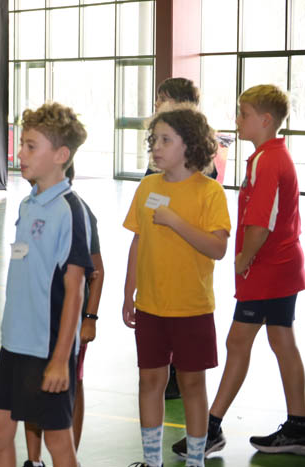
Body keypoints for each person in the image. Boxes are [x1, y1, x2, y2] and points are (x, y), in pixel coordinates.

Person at [173, 84, 305, 458]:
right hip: (281, 266)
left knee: (238, 343)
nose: (237, 119)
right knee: (282, 340)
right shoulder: (269, 156)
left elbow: (261, 223)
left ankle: (211, 429)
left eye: (244, 114)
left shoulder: (268, 161)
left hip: (268, 270)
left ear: (265, 120)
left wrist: (243, 260)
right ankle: (299, 426)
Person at [122, 107, 231, 467]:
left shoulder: (209, 192)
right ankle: (151, 460)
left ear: (190, 145)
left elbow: (217, 248)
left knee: (192, 386)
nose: (156, 147)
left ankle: (196, 460)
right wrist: (128, 293)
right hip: (150, 306)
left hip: (191, 307)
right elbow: (138, 241)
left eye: (166, 140)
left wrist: (175, 222)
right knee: (149, 382)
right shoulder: (147, 186)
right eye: (154, 140)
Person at [0, 102, 93, 467]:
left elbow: (75, 290)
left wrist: (61, 360)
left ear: (61, 155)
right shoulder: (28, 204)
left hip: (46, 347)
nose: (20, 153)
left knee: (58, 442)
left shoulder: (70, 210)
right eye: (22, 144)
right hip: (15, 342)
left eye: (31, 146)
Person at [22, 163, 105, 467]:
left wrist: (90, 319)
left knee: (71, 385)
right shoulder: (29, 207)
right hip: (34, 318)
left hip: (66, 320)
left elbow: (97, 272)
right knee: (31, 384)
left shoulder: (77, 211)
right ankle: (33, 460)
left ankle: (71, 457)